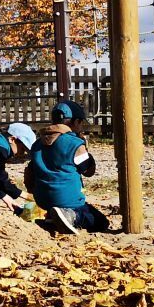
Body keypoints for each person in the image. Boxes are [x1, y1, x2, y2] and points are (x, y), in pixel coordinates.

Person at [24, 100, 111, 234]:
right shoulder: (74, 143)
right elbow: (88, 171)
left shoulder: (37, 144)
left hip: (42, 199)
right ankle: (72, 216)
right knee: (100, 221)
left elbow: (30, 172)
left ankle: (52, 217)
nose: (81, 127)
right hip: (68, 200)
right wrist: (86, 150)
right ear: (75, 122)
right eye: (80, 123)